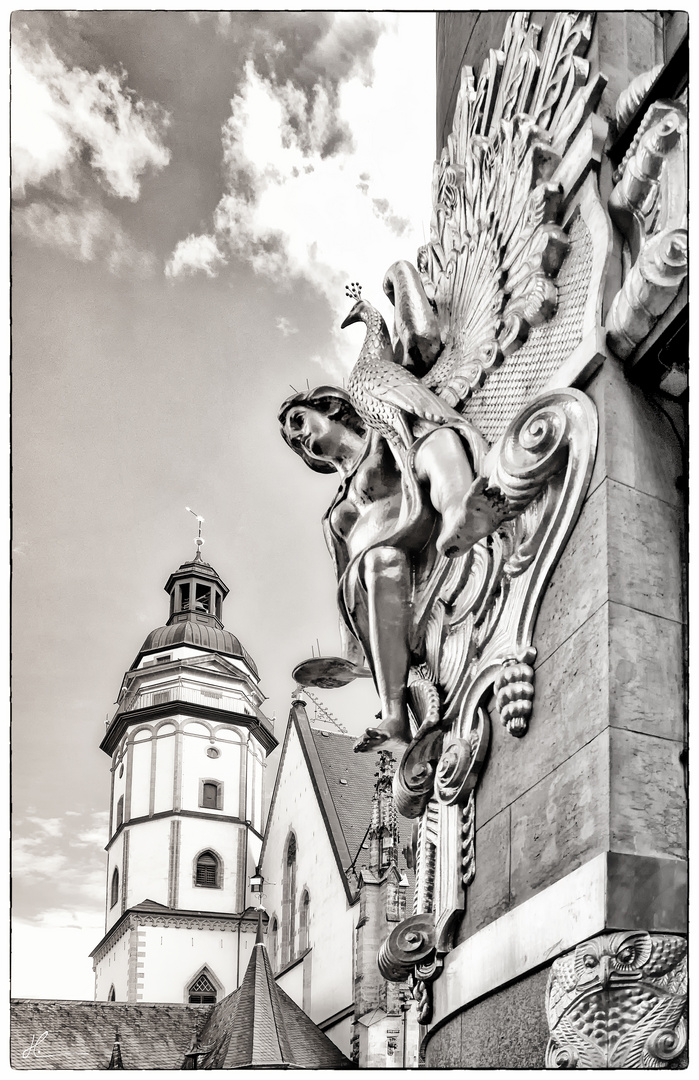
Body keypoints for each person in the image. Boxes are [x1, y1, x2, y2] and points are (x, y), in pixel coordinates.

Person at [279, 385, 506, 752]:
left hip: (418, 534)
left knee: (433, 441)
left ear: (331, 408)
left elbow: (424, 433)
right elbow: (343, 587)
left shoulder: (380, 435)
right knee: (376, 562)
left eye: (299, 421)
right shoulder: (333, 513)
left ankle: (459, 514)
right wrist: (351, 659)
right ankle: (395, 717)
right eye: (293, 440)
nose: (299, 437)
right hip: (373, 581)